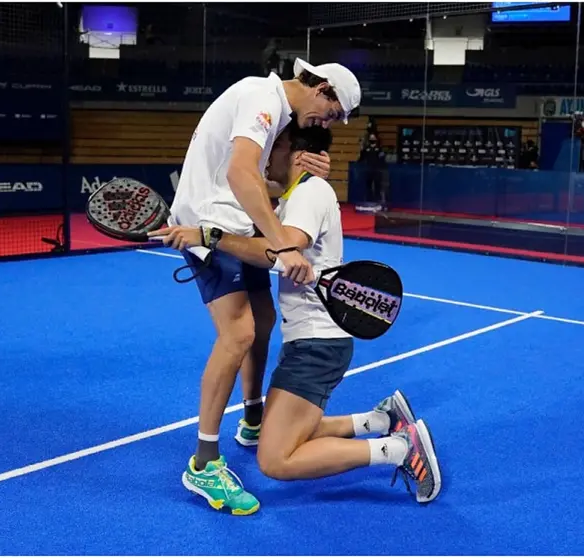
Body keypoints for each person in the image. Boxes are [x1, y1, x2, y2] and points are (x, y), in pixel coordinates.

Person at [155, 120, 442, 505]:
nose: (261, 157)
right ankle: (379, 421)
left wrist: (208, 237)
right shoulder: (294, 198)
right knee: (287, 428)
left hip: (317, 347)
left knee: (276, 460)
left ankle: (398, 449)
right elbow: (265, 226)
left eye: (270, 148)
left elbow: (279, 249)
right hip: (310, 342)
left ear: (291, 151)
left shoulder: (310, 194)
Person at [164, 59, 362, 515]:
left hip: (236, 224)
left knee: (265, 319)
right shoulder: (261, 96)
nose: (326, 122)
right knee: (238, 335)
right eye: (331, 114)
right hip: (210, 225)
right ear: (324, 89)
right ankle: (204, 462)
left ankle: (253, 418)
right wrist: (280, 244)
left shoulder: (278, 113)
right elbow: (239, 174)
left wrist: (301, 169)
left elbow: (265, 179)